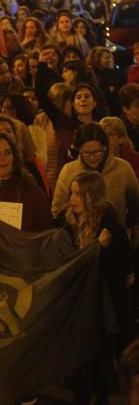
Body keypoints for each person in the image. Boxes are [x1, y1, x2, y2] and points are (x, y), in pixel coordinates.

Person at [57, 171, 134, 404]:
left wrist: (107, 249)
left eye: (80, 194)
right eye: (72, 193)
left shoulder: (109, 223)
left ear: (94, 196)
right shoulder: (67, 223)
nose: (73, 199)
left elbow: (122, 268)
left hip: (102, 304)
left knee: (100, 356)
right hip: (76, 302)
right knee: (80, 358)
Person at [52, 122, 139, 227]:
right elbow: (58, 210)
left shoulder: (123, 168)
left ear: (105, 147)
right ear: (79, 150)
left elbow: (135, 205)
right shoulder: (69, 170)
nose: (92, 157)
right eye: (86, 153)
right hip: (77, 237)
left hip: (114, 236)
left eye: (97, 152)